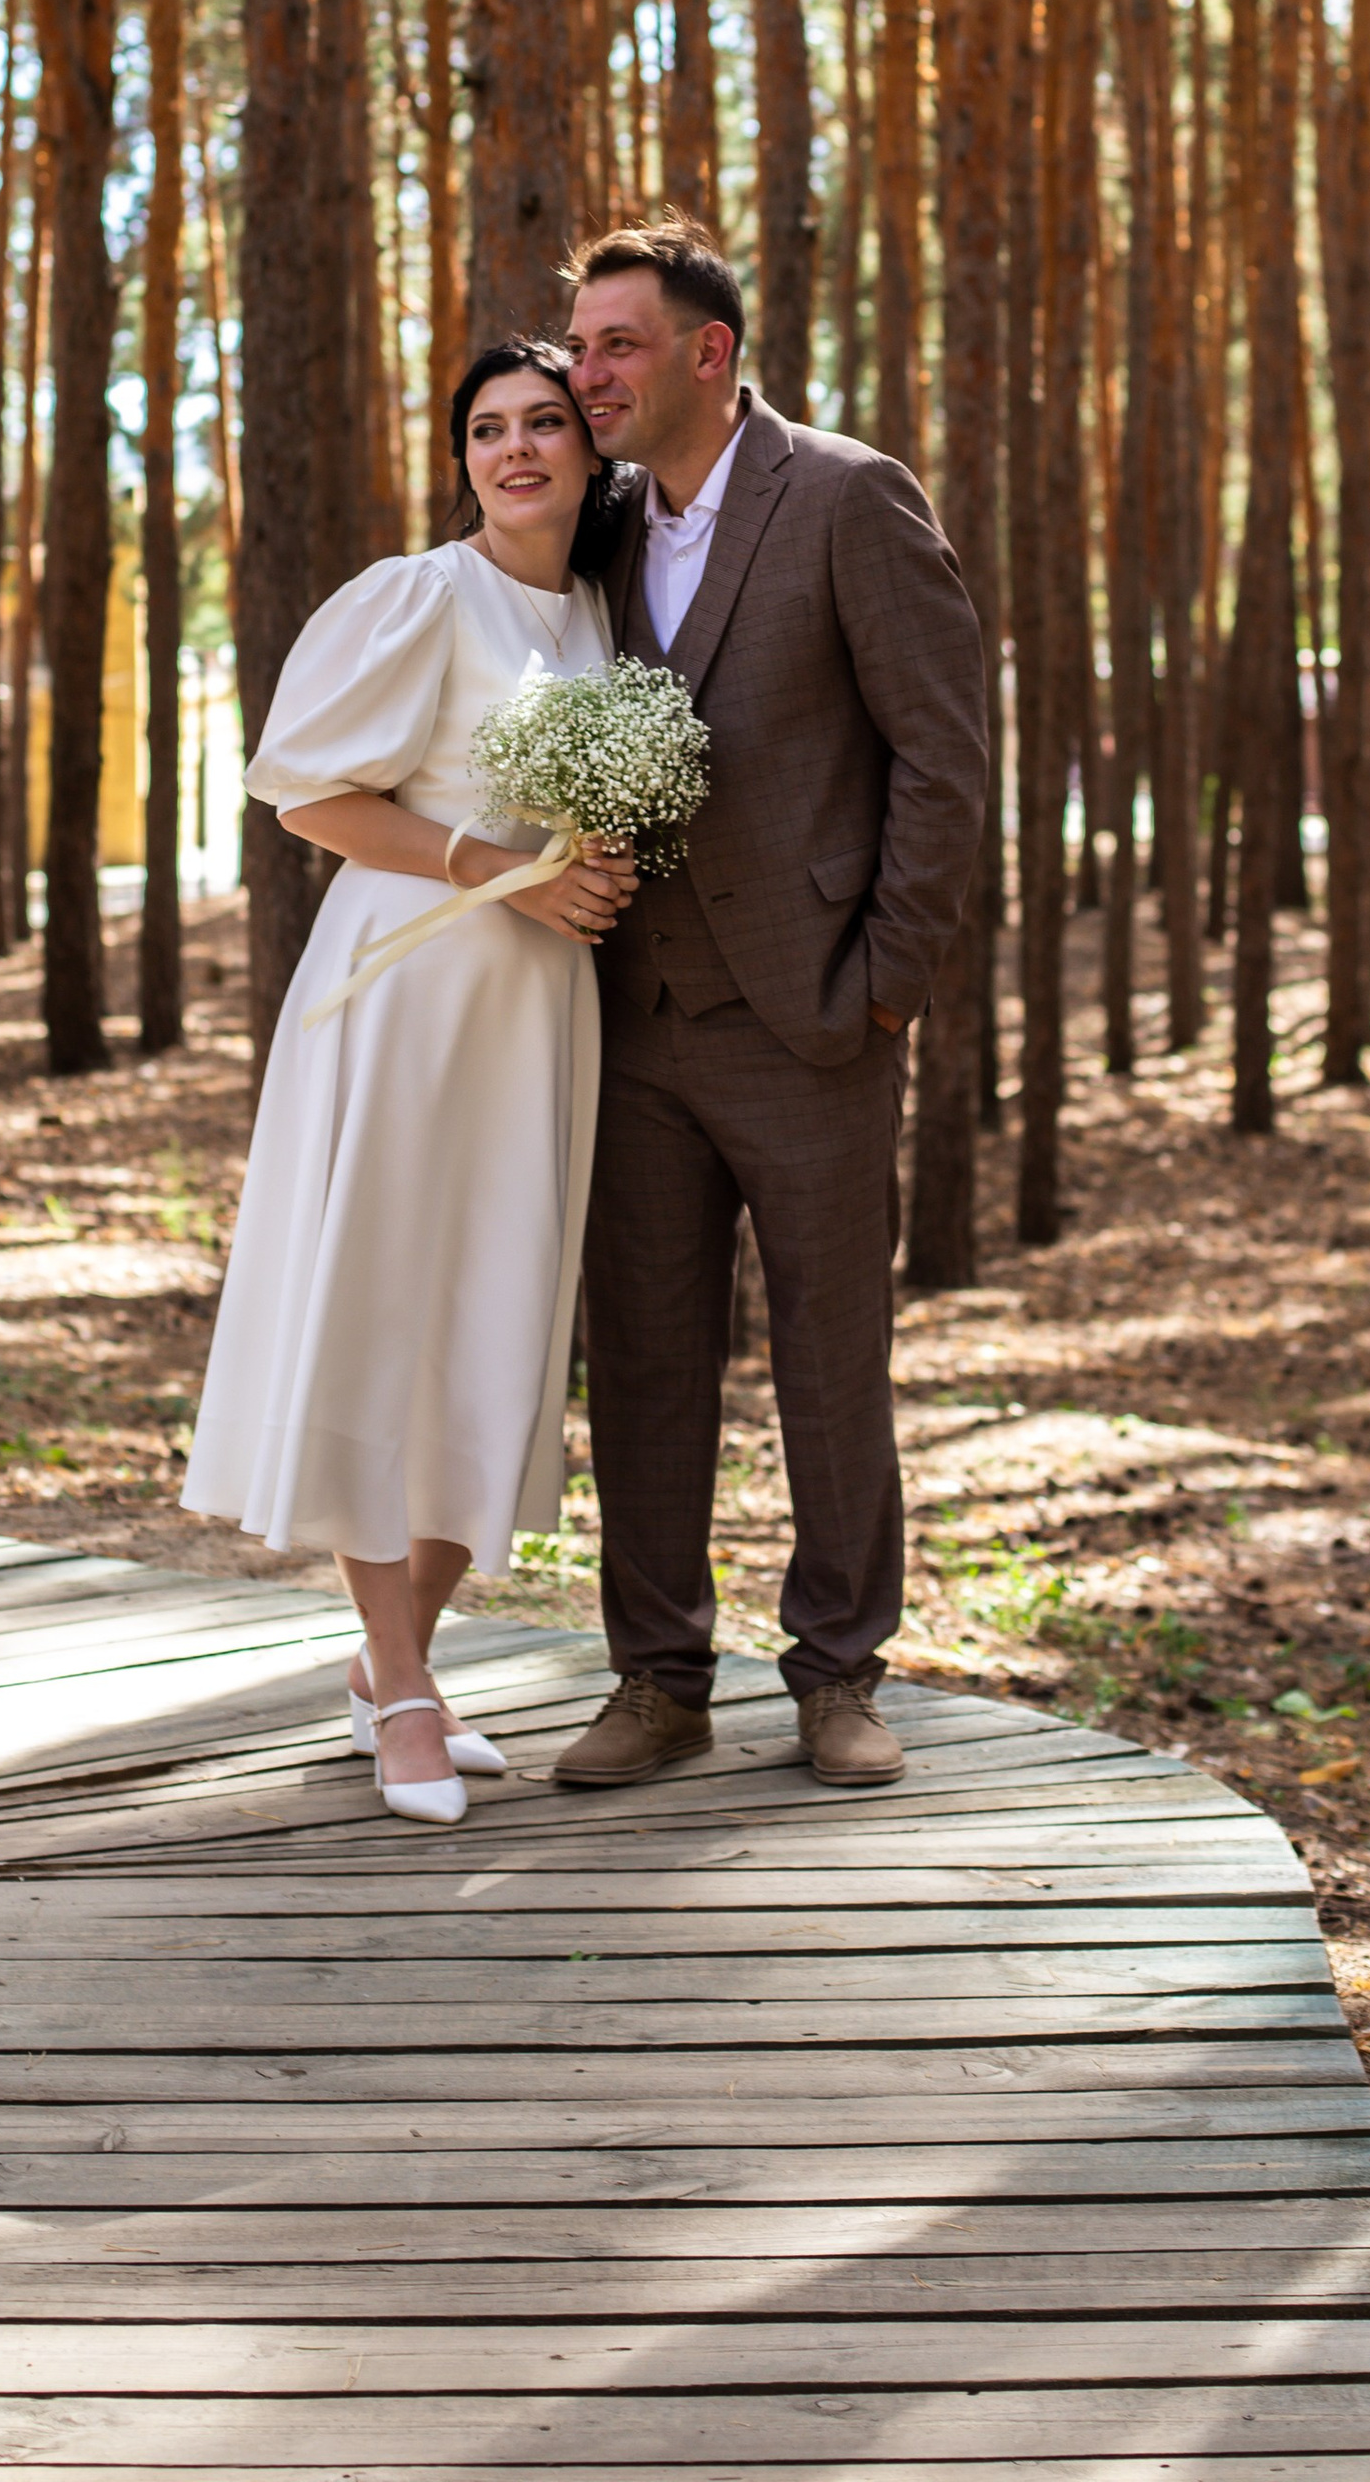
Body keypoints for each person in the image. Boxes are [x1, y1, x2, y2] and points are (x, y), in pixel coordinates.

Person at [183, 342, 641, 1826]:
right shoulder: (418, 596)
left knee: (498, 1318)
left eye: (545, 425)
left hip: (537, 1006)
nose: (517, 451)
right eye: (489, 431)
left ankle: (403, 1662)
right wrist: (498, 870)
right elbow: (311, 790)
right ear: (463, 462)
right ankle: (403, 1685)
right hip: (408, 985)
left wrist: (589, 871)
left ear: (589, 448)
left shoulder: (601, 614)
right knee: (384, 1311)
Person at [558, 218, 987, 1791]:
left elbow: (945, 756)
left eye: (615, 345)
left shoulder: (849, 498)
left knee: (830, 1354)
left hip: (812, 1018)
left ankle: (838, 1674)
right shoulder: (592, 526)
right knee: (649, 1356)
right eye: (582, 343)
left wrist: (884, 987)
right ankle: (659, 1681)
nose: (586, 373)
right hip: (630, 1018)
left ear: (707, 354)